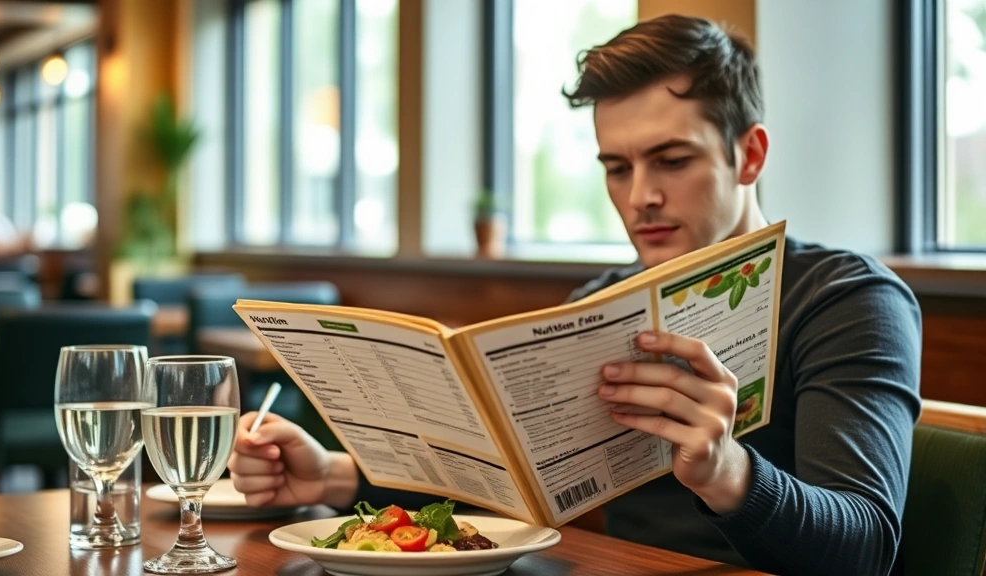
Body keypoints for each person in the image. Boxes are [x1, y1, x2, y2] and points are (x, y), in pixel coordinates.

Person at [228, 14, 921, 576]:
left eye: (672, 161)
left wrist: (728, 470)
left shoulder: (847, 298)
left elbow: (864, 549)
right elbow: (498, 484)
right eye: (616, 168)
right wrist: (330, 477)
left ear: (750, 155)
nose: (640, 196)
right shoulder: (603, 301)